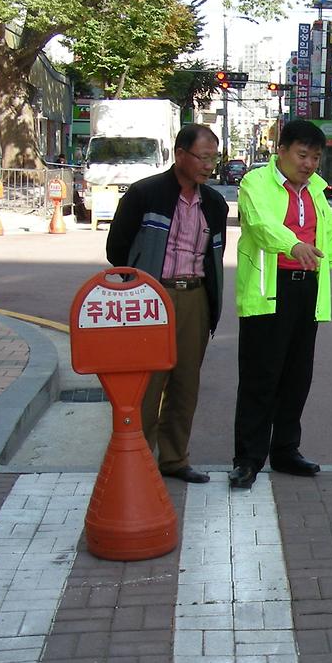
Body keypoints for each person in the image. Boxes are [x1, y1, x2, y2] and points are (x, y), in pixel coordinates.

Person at [228, 119, 332, 490]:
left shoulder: (316, 193)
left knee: (296, 378)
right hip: (267, 292)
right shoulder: (255, 184)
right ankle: (248, 459)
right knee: (260, 379)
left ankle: (286, 451)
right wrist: (293, 245)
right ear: (282, 151)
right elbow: (260, 225)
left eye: (315, 157)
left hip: (307, 292)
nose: (308, 164)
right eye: (302, 155)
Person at [105, 123, 228, 484]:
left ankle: (174, 459)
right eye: (203, 158)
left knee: (186, 382)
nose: (209, 166)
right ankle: (137, 459)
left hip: (195, 298)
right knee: (148, 383)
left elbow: (213, 256)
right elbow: (117, 249)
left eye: (213, 159)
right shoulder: (146, 194)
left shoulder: (215, 204)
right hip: (152, 297)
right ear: (180, 155)